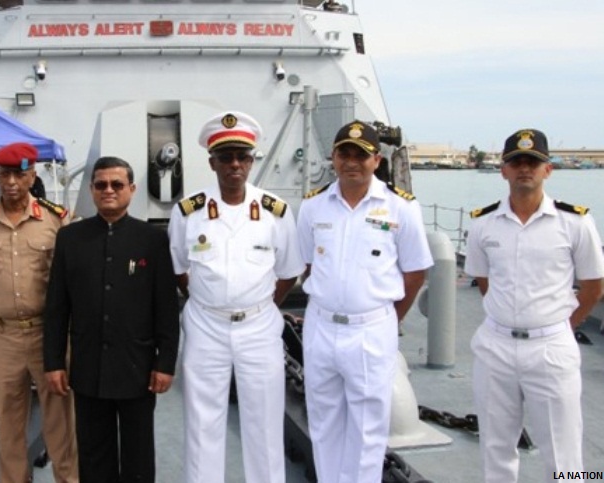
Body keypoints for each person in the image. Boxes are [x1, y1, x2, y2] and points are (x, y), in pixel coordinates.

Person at [168, 111, 304, 483]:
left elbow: (289, 272)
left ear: (251, 160)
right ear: (211, 161)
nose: (234, 165)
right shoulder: (188, 212)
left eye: (242, 157)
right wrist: (211, 301)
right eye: (225, 157)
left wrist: (257, 306)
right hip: (205, 325)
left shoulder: (276, 212)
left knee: (263, 423)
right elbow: (180, 270)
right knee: (201, 424)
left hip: (259, 327)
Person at [296, 120, 433, 483]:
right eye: (345, 153)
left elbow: (416, 272)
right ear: (333, 157)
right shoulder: (313, 207)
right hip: (321, 327)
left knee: (367, 430)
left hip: (371, 330)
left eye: (361, 154)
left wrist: (389, 318)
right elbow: (310, 265)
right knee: (323, 422)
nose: (351, 161)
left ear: (376, 160)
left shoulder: (400, 208)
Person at [465, 128, 604, 483]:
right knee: (495, 446)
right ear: (504, 170)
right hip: (495, 346)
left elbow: (593, 286)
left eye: (533, 162)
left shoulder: (576, 222)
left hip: (551, 348)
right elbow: (483, 281)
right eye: (516, 162)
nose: (524, 168)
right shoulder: (483, 223)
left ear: (547, 170)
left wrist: (561, 325)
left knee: (564, 452)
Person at [43, 156, 179, 483]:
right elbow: (57, 306)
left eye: (117, 184)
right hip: (88, 367)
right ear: (91, 190)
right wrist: (53, 362)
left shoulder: (153, 240)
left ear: (131, 189)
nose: (108, 190)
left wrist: (166, 363)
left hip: (137, 367)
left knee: (138, 455)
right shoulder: (70, 239)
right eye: (101, 184)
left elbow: (166, 307)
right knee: (93, 454)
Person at [0, 142, 79, 483]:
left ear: (32, 176)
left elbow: (68, 279)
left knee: (59, 421)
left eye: (19, 174)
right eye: (4, 174)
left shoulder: (56, 221)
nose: (11, 181)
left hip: (48, 334)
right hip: (2, 337)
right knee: (8, 423)